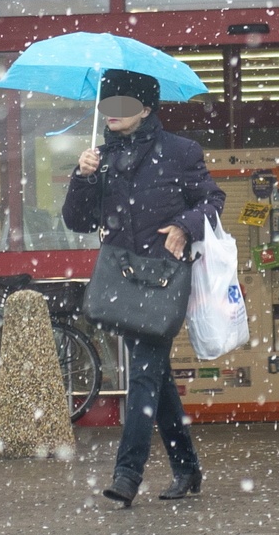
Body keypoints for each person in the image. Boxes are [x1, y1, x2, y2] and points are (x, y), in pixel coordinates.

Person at [61, 70, 226, 506]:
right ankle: (187, 468)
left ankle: (127, 473)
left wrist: (185, 225)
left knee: (144, 375)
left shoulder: (179, 152)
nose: (111, 114)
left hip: (164, 281)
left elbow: (213, 200)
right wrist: (82, 176)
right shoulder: (100, 157)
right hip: (122, 281)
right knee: (156, 379)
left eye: (122, 105)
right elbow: (77, 221)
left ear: (147, 108)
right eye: (107, 105)